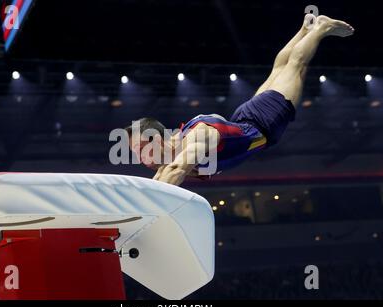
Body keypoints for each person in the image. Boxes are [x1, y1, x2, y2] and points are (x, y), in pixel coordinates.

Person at [126, 14, 354, 186]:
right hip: (249, 120)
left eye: (142, 148)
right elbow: (161, 176)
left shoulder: (194, 141)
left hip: (265, 122)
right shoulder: (173, 148)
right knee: (279, 70)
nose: (140, 157)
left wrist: (152, 210)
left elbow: (176, 170)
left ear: (158, 139)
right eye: (136, 152)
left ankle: (321, 28)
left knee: (295, 66)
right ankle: (305, 29)